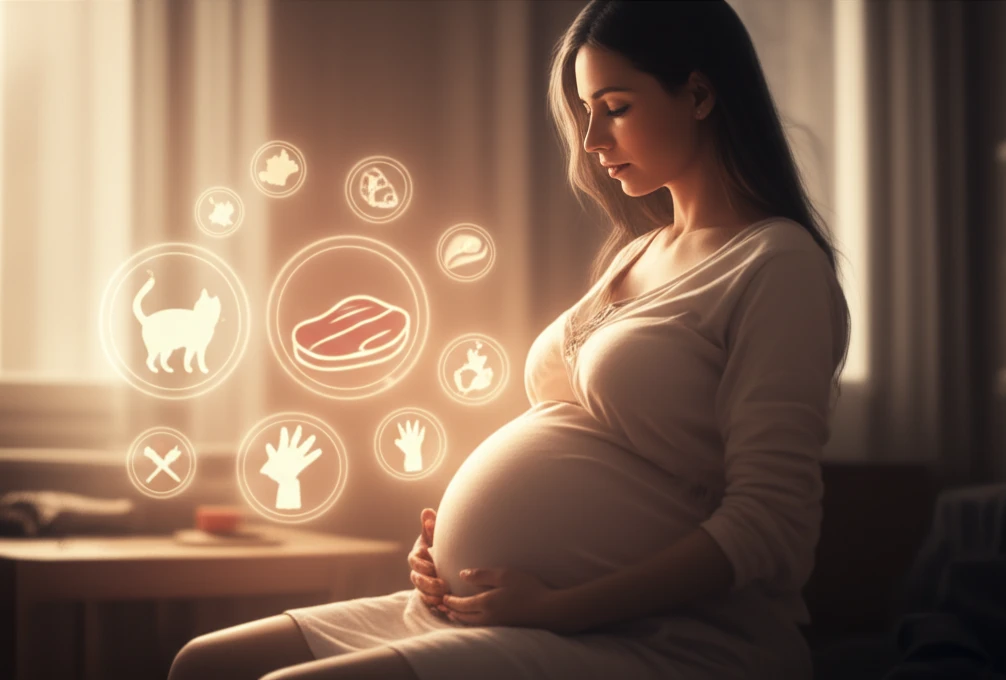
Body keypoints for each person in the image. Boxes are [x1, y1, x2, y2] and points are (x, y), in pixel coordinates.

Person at [168, 0, 851, 678]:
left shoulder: (776, 264)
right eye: (585, 111)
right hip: (505, 613)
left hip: (655, 638)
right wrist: (443, 550)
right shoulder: (636, 253)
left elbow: (773, 526)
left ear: (698, 94)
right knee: (203, 665)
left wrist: (563, 606)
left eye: (615, 107)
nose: (591, 140)